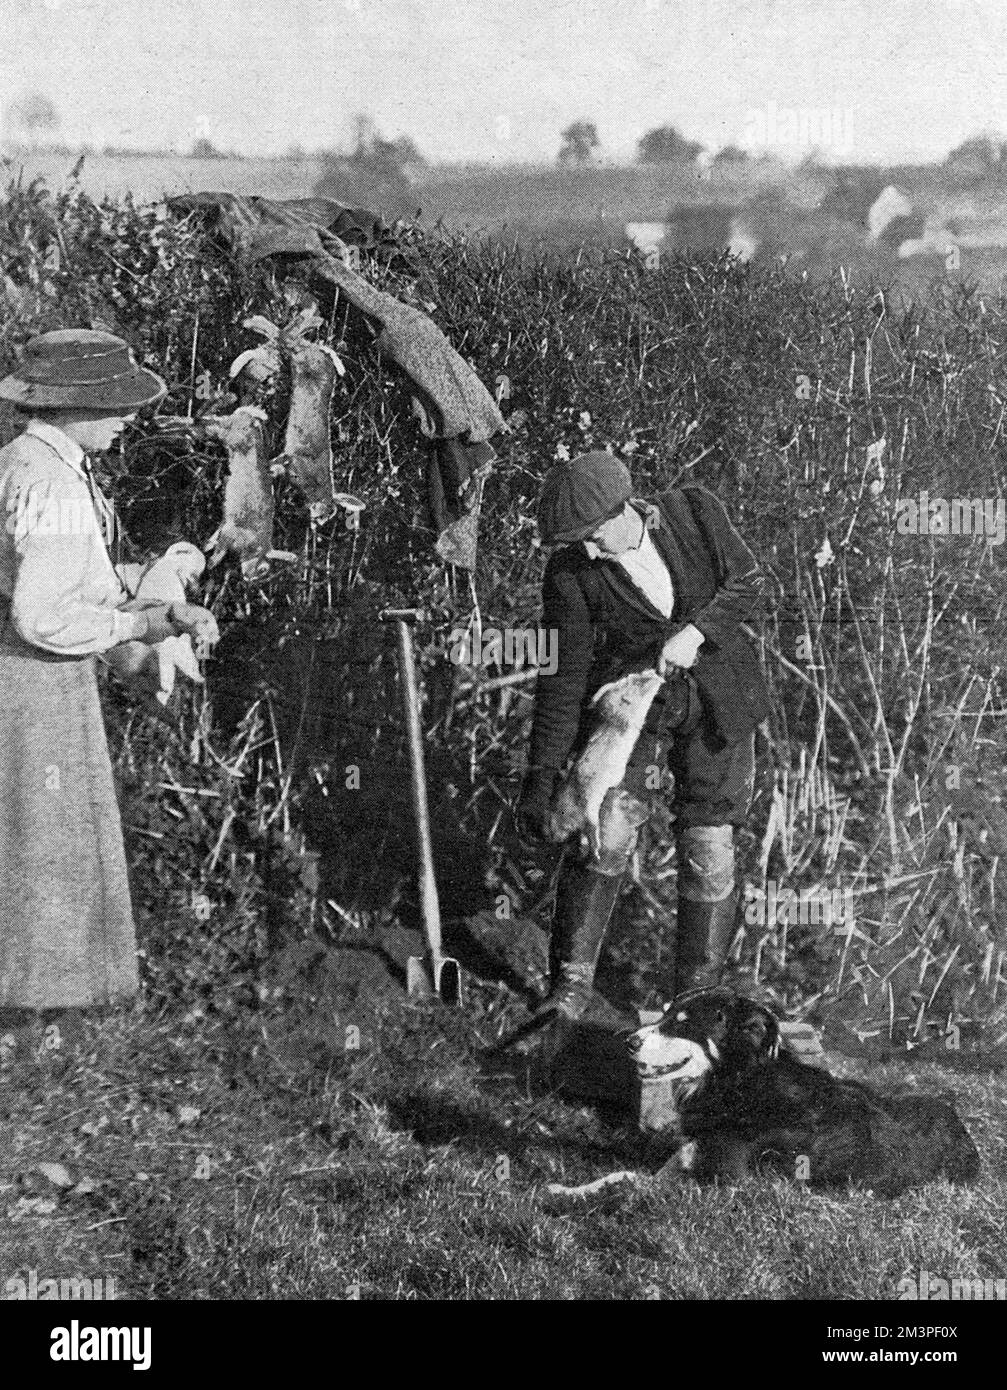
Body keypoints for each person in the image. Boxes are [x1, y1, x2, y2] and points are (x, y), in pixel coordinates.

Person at [0, 329, 219, 1062]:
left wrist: (146, 593)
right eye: (116, 404)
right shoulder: (52, 483)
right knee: (42, 836)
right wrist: (140, 620)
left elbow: (66, 580)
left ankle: (30, 1003)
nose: (128, 417)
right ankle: (33, 1011)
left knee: (29, 832)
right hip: (32, 678)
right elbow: (43, 614)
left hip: (29, 671)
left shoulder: (28, 463)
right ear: (75, 406)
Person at [516, 450, 771, 1021]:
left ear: (622, 511)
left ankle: (696, 1000)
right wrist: (541, 777)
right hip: (637, 713)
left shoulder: (695, 513)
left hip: (719, 706)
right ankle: (570, 991)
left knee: (710, 846)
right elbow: (563, 679)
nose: (586, 549)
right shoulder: (570, 576)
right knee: (603, 826)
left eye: (592, 534)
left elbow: (749, 581)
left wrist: (697, 633)